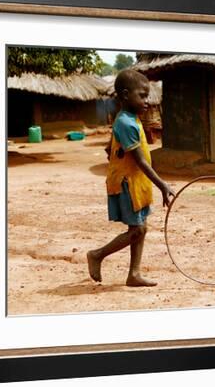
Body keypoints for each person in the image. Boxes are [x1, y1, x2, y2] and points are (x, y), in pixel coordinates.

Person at [87, 69, 175, 287]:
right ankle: (97, 255)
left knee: (141, 228)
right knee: (137, 230)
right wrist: (163, 185)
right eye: (142, 96)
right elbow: (141, 162)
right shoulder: (126, 123)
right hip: (128, 184)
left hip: (136, 183)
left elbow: (111, 149)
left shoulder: (130, 119)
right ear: (126, 95)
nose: (147, 101)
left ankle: (134, 274)